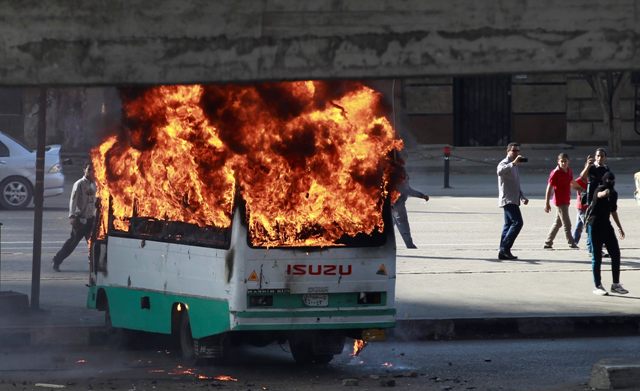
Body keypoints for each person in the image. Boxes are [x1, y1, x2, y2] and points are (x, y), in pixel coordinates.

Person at [586, 172, 628, 296]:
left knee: (615, 253)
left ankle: (616, 284)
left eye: (612, 180)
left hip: (606, 225)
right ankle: (597, 285)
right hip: (594, 225)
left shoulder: (614, 194)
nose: (610, 182)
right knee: (597, 256)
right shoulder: (599, 189)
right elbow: (599, 195)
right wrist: (605, 193)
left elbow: (613, 211)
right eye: (608, 180)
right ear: (604, 180)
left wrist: (619, 227)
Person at [52, 162, 97, 272]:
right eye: (89, 169)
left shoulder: (95, 184)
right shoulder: (79, 184)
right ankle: (57, 260)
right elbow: (73, 200)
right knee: (72, 243)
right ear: (84, 170)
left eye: (93, 170)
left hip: (91, 219)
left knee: (93, 244)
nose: (91, 172)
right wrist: (72, 215)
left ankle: (94, 266)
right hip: (80, 220)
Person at [497, 142, 529, 260]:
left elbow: (515, 183)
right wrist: (513, 163)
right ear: (508, 151)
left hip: (514, 199)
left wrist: (522, 196)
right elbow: (500, 172)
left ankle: (503, 252)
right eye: (514, 150)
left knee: (508, 225)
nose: (516, 153)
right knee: (518, 223)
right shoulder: (504, 163)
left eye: (518, 151)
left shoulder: (515, 166)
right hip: (508, 199)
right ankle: (505, 248)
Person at [579, 148, 611, 255]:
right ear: (595, 156)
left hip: (602, 200)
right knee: (591, 224)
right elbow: (582, 177)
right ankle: (591, 249)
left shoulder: (606, 169)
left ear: (605, 158)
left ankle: (597, 248)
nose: (600, 158)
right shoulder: (591, 167)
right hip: (591, 200)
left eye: (602, 156)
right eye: (598, 156)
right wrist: (587, 165)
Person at [543, 153, 578, 249]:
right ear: (558, 162)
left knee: (558, 223)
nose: (563, 163)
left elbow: (572, 182)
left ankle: (548, 242)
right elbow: (549, 188)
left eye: (565, 161)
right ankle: (571, 243)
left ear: (568, 162)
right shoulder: (555, 172)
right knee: (567, 223)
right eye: (561, 161)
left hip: (566, 199)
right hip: (559, 201)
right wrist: (547, 203)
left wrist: (580, 189)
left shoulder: (569, 171)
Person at [391, 161, 429, 249]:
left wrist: (422, 195)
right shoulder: (400, 175)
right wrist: (422, 195)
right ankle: (409, 245)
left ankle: (387, 245)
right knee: (403, 225)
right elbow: (408, 190)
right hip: (398, 204)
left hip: (391, 205)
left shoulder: (392, 174)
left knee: (388, 226)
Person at [572, 174, 588, 245]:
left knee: (579, 225)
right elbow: (573, 184)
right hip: (582, 207)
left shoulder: (592, 179)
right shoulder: (580, 180)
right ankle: (596, 241)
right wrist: (581, 189)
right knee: (588, 225)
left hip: (588, 206)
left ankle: (574, 241)